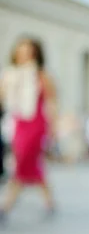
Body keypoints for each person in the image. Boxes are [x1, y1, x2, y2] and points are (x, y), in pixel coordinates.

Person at [0, 38, 57, 223]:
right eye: (21, 51)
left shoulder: (41, 75)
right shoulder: (10, 75)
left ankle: (6, 205)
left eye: (28, 52)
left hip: (37, 123)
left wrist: (53, 127)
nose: (24, 55)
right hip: (18, 123)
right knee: (30, 164)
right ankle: (49, 201)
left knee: (23, 160)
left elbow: (53, 100)